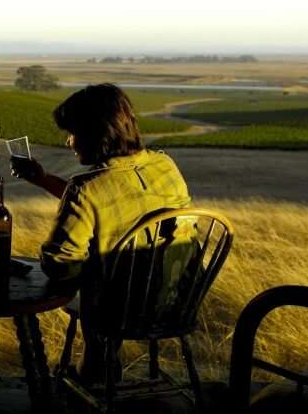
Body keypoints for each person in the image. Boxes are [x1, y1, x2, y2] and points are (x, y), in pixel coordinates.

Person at [10, 83, 191, 384]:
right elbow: (110, 202)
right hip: (174, 300)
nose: (69, 142)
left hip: (116, 312)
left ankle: (95, 378)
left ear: (95, 134)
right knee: (113, 277)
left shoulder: (86, 188)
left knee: (97, 288)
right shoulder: (165, 165)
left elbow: (60, 264)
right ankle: (100, 374)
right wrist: (43, 180)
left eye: (73, 132)